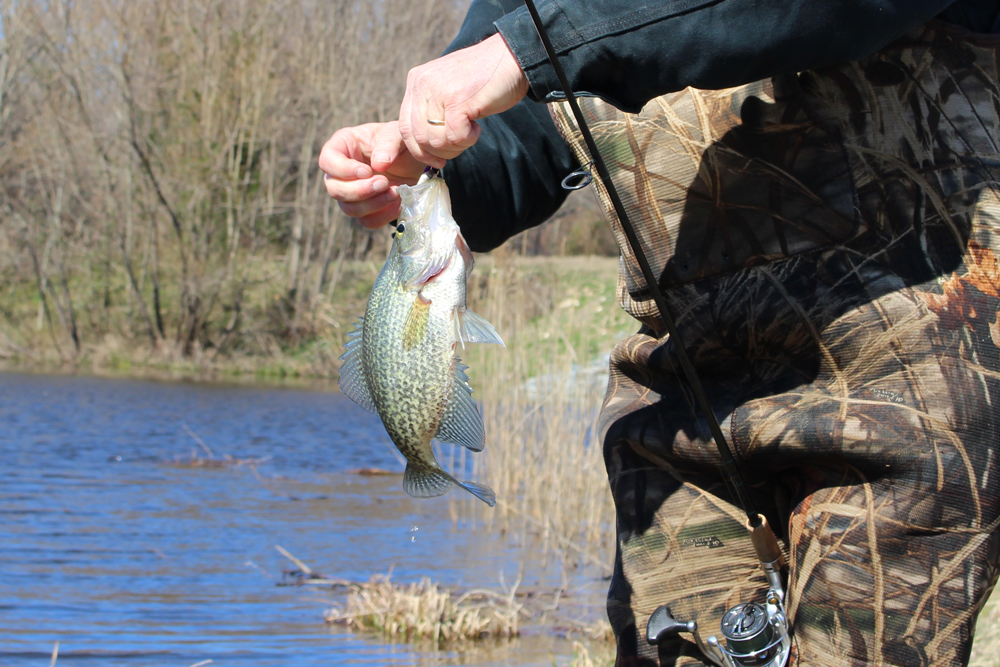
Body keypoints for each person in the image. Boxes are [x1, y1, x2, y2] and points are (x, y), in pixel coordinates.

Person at [320, 1, 1000, 665]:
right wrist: (420, 164)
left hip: (904, 387)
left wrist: (525, 48)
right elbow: (519, 139)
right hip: (684, 408)